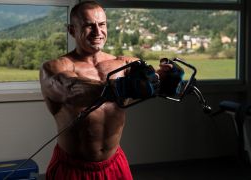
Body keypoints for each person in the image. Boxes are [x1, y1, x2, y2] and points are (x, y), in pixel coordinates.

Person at [40, 1, 181, 179]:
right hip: (73, 169)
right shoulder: (54, 67)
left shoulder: (125, 64)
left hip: (114, 164)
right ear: (72, 30)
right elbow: (69, 88)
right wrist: (118, 87)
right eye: (89, 25)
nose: (98, 32)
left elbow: (152, 83)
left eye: (102, 24)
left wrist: (167, 78)